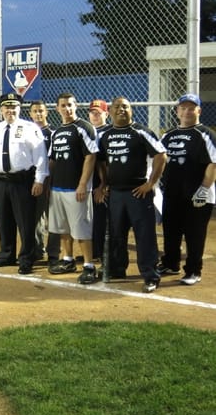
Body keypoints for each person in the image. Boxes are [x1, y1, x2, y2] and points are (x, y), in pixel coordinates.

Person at [95, 96, 166, 293]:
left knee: (144, 235)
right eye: (117, 107)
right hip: (116, 193)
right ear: (109, 111)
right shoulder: (106, 135)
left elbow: (161, 155)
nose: (121, 110)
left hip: (138, 193)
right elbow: (100, 160)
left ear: (131, 110)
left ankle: (150, 275)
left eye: (125, 107)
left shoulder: (141, 131)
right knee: (117, 234)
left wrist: (150, 183)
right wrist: (103, 183)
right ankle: (118, 270)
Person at [157, 93, 216, 285]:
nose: (187, 111)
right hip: (173, 192)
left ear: (199, 110)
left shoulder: (205, 133)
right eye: (183, 107)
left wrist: (204, 189)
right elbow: (159, 160)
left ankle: (193, 271)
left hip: (197, 194)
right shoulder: (168, 134)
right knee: (171, 231)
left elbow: (213, 163)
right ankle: (171, 263)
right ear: (177, 111)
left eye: (191, 108)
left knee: (194, 233)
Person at [0, 93, 48, 275]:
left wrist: (39, 180)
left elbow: (40, 155)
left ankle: (26, 259)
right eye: (6, 107)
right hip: (0, 181)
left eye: (14, 107)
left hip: (22, 181)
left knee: (25, 222)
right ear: (2, 109)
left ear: (19, 109)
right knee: (4, 220)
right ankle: (6, 255)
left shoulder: (30, 128)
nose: (10, 110)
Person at [45, 93, 98, 284]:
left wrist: (83, 184)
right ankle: (68, 259)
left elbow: (91, 156)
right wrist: (47, 182)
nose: (67, 109)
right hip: (58, 188)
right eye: (63, 106)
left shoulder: (83, 128)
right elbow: (52, 160)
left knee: (81, 229)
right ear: (57, 108)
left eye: (70, 105)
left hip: (76, 189)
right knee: (63, 228)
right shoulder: (57, 131)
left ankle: (89, 266)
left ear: (76, 106)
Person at [28, 100, 61, 264]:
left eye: (41, 110)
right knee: (35, 216)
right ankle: (37, 249)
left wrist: (50, 181)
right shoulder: (27, 131)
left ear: (47, 112)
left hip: (52, 179)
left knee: (53, 217)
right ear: (30, 114)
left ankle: (53, 253)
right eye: (35, 111)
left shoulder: (54, 132)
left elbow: (54, 160)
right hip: (34, 179)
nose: (38, 113)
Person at [88, 99, 111, 260]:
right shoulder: (88, 132)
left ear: (106, 114)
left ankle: (103, 253)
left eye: (99, 113)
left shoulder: (109, 132)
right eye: (92, 113)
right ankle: (94, 251)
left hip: (102, 182)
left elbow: (105, 163)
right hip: (89, 181)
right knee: (90, 219)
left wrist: (104, 185)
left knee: (101, 219)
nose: (95, 116)